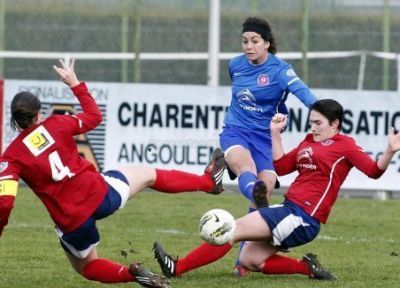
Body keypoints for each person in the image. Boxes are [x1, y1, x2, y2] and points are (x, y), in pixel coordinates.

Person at [0, 59, 225, 288]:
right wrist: (74, 83)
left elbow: (5, 203)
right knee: (149, 174)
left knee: (87, 267)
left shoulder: (11, 158)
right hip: (101, 194)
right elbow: (95, 116)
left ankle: (132, 273)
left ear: (14, 120)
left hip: (73, 220)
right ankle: (208, 182)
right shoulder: (57, 123)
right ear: (39, 115)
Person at [153, 99, 400, 281]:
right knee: (250, 260)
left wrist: (389, 151)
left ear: (335, 124)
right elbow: (281, 166)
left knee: (231, 230)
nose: (313, 127)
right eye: (310, 122)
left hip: (304, 217)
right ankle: (308, 268)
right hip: (289, 209)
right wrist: (275, 134)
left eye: (318, 123)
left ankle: (177, 268)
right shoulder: (308, 141)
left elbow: (374, 171)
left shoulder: (345, 145)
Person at [220, 16, 317, 276]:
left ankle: (243, 260)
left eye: (254, 41)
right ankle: (254, 189)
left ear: (267, 43)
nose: (248, 46)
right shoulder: (235, 65)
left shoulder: (281, 70)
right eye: (244, 41)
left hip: (264, 137)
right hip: (236, 130)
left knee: (267, 187)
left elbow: (304, 94)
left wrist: (323, 114)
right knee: (246, 168)